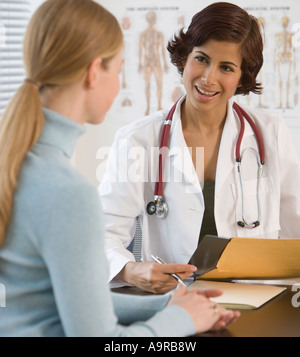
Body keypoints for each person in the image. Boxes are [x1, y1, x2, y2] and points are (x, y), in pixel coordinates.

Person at [0, 0, 239, 337]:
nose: (119, 82)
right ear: (94, 71)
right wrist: (182, 322)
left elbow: (64, 302)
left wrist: (165, 307)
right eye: (119, 69)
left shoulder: (17, 163)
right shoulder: (67, 193)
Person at [99, 2, 300, 294]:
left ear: (242, 76)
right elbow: (103, 233)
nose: (208, 78)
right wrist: (131, 270)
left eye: (226, 67)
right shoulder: (138, 140)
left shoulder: (270, 133)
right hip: (173, 303)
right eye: (202, 59)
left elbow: (295, 233)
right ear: (185, 56)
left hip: (257, 300)